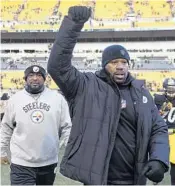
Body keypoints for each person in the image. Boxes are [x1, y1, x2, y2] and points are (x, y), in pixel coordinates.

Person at [47, 6, 169, 185]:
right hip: (98, 179)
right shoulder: (86, 86)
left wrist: (159, 159)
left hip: (134, 179)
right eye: (114, 62)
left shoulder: (142, 92)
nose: (120, 66)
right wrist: (73, 25)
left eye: (124, 62)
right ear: (104, 65)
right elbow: (57, 67)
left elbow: (158, 128)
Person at [0, 65, 72, 185]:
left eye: (39, 75)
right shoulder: (15, 100)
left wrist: (68, 151)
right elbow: (6, 127)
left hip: (48, 161)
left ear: (45, 79)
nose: (35, 78)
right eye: (31, 75)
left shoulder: (57, 99)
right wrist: (1, 151)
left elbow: (67, 127)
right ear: (25, 78)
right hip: (21, 162)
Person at [154, 78, 175, 185]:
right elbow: (154, 116)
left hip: (173, 135)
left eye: (173, 89)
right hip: (161, 133)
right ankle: (155, 177)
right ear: (165, 89)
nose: (172, 92)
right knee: (158, 160)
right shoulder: (158, 99)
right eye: (169, 89)